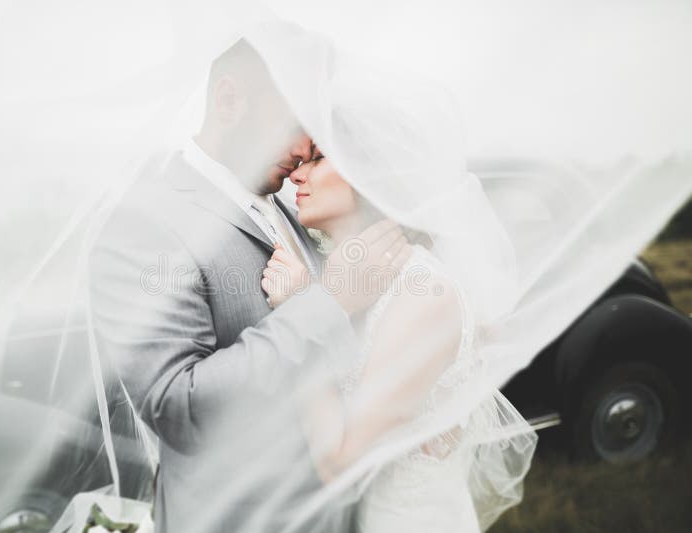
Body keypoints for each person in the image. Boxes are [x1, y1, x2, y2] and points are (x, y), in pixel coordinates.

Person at [89, 39, 411, 533]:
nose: (306, 148)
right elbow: (179, 408)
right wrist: (327, 303)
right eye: (295, 121)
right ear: (228, 101)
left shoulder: (292, 208)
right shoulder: (145, 223)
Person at [262, 142, 537, 532]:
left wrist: (300, 316)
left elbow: (338, 462)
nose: (296, 175)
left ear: (372, 174)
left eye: (319, 158)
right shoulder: (355, 280)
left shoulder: (425, 294)